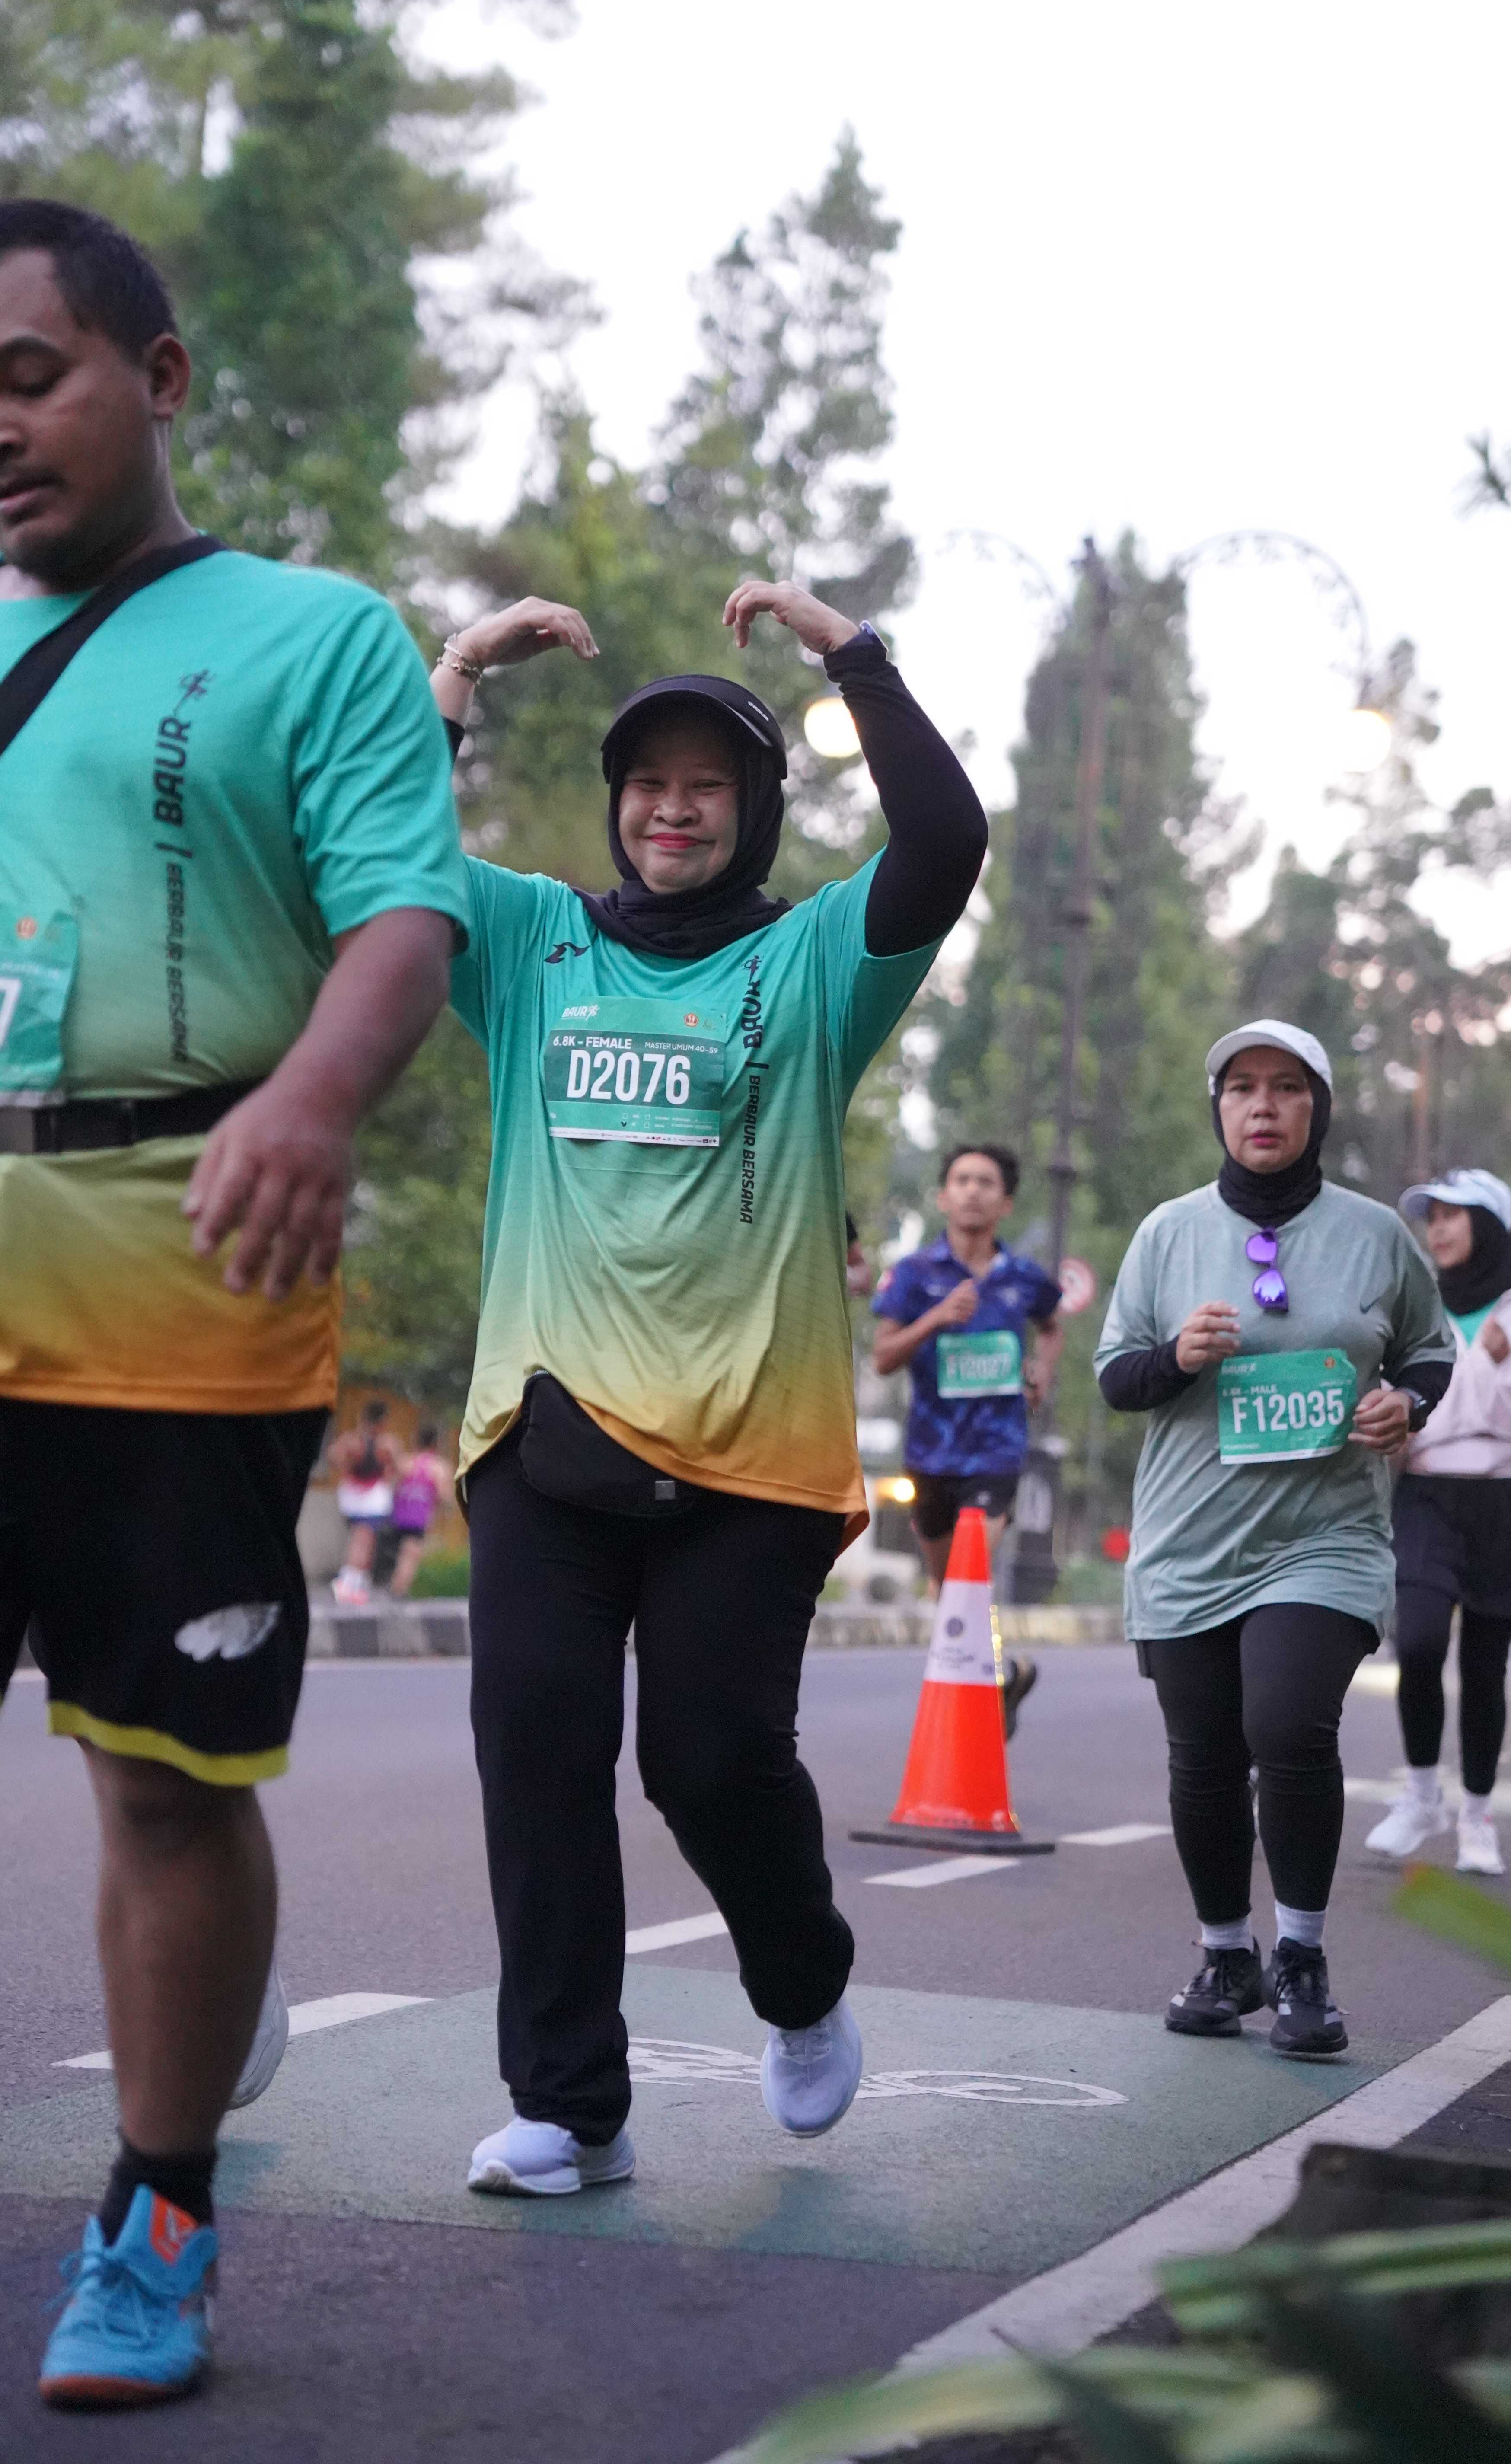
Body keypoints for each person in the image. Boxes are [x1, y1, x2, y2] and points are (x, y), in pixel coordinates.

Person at [0, 200, 464, 2405]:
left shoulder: (317, 641)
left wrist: (311, 1097)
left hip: (188, 1294)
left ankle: (158, 2209)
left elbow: (402, 916)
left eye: (28, 376)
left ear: (160, 374)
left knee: (160, 1790)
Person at [429, 578, 985, 2195]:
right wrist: (455, 670)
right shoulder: (530, 942)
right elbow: (383, 847)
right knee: (536, 1745)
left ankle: (801, 1983)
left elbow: (945, 842)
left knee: (707, 1759)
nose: (671, 810)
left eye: (707, 786)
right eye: (647, 783)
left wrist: (851, 656)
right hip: (543, 1424)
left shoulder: (815, 962)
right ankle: (569, 2106)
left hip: (753, 1450)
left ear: (753, 810)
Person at [1095, 1021, 1454, 2056]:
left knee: (1288, 1723)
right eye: (1242, 1087)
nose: (1262, 1106)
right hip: (1189, 1542)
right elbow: (1115, 1376)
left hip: (1324, 1537)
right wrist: (1176, 1356)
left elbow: (1429, 1353)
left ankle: (1299, 1955)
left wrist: (1404, 1405)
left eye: (1287, 1087)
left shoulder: (1376, 1234)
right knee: (1203, 1757)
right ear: (1218, 1107)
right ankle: (1225, 1955)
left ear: (1317, 1108)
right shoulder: (1167, 1232)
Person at [1365, 1170, 1511, 1875]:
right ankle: (1420, 1795)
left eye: (1453, 1216)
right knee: (1418, 1638)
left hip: (1509, 1492)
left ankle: (1476, 1814)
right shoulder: (1419, 1303)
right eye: (1431, 1217)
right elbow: (1385, 1384)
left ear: (1490, 1225)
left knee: (1485, 1664)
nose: (1437, 1230)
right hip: (1427, 1490)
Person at [870, 1142, 1062, 1733]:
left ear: (1006, 1203)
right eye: (961, 1180)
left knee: (969, 1563)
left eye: (985, 1182)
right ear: (942, 1197)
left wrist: (1042, 1372)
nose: (973, 1191)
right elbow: (882, 1358)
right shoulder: (914, 1274)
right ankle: (999, 1679)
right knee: (945, 1583)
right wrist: (936, 1319)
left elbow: (1051, 1326)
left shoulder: (1023, 1277)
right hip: (930, 1451)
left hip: (997, 1447)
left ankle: (969, 1705)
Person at [327, 1398, 403, 1604]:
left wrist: (347, 1463)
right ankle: (347, 1581)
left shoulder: (352, 1440)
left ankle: (357, 1580)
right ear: (384, 1421)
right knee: (363, 1538)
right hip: (369, 1496)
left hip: (353, 1493)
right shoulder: (386, 1443)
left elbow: (333, 1458)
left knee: (364, 1539)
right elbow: (399, 1469)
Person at [386, 1422, 449, 1600]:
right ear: (436, 1443)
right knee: (411, 1554)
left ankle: (396, 1587)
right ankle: (399, 1590)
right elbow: (444, 1495)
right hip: (419, 1517)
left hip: (400, 1514)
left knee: (402, 1552)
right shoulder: (438, 1467)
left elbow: (393, 1485)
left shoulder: (406, 1462)